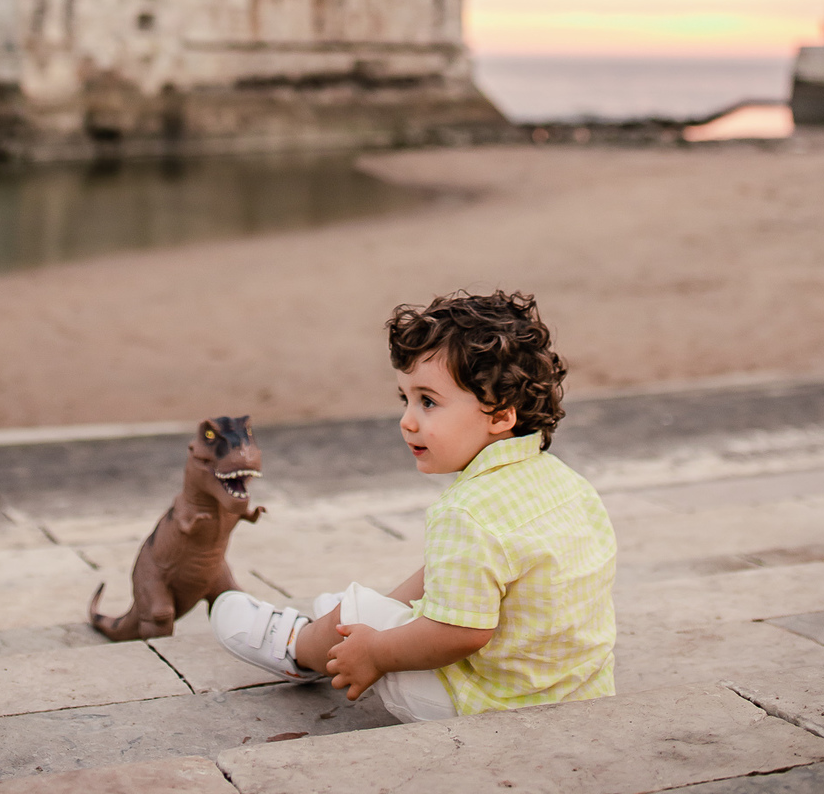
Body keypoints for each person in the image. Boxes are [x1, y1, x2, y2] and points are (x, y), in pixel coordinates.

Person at [209, 289, 616, 722]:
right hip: (574, 690)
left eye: (428, 402)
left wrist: (375, 650)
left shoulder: (466, 513)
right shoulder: (566, 484)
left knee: (354, 615)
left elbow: (462, 635)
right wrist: (388, 610)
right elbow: (456, 575)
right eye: (406, 399)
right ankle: (347, 623)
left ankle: (298, 649)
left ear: (500, 415)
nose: (407, 421)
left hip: (493, 705)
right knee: (390, 605)